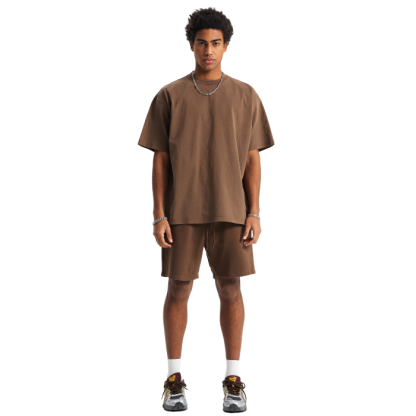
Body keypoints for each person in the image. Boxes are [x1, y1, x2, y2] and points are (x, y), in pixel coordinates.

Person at [138, 7, 275, 413]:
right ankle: (173, 381)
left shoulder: (246, 95)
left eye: (216, 43)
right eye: (202, 43)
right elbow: (160, 159)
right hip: (181, 212)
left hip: (232, 210)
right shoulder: (169, 95)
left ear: (226, 46)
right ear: (191, 45)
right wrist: (159, 214)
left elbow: (252, 157)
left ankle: (233, 381)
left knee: (231, 289)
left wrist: (255, 212)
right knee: (178, 290)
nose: (208, 51)